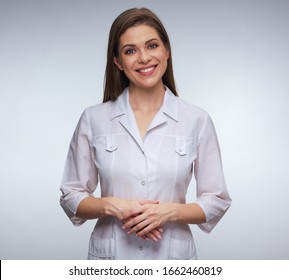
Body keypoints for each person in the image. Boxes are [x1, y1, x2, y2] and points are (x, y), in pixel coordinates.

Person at [60, 7, 232, 260]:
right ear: (117, 61)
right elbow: (71, 196)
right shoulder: (93, 119)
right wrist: (113, 206)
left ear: (166, 50)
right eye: (130, 51)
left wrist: (167, 212)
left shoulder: (197, 120)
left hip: (172, 259)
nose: (143, 58)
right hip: (112, 258)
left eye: (152, 46)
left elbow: (217, 200)